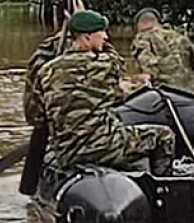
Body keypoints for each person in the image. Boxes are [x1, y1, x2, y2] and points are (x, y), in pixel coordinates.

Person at [37, 10, 175, 173]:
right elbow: (117, 62)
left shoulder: (46, 70)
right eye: (101, 32)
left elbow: (36, 116)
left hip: (66, 153)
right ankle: (161, 187)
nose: (106, 37)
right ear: (87, 37)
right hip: (101, 146)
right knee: (165, 136)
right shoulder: (105, 64)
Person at [22, 0, 119, 126]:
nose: (105, 36)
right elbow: (116, 67)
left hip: (51, 124)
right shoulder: (99, 60)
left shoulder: (44, 54)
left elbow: (34, 109)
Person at [130, 8, 194, 94]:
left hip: (164, 94)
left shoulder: (141, 38)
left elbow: (146, 62)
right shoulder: (179, 37)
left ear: (138, 25)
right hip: (189, 92)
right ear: (158, 22)